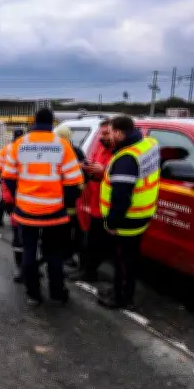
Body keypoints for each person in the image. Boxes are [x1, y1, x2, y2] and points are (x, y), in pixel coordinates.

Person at [4, 108, 84, 305]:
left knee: (29, 252)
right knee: (54, 254)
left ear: (33, 122)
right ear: (52, 123)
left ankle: (33, 294)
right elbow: (74, 181)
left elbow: (8, 177)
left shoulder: (19, 145)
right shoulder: (63, 145)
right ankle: (57, 293)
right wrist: (66, 203)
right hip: (54, 212)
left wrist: (19, 196)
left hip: (26, 211)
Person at [98, 115, 161, 309]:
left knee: (122, 261)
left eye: (111, 133)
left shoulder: (126, 158)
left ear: (119, 133)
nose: (109, 137)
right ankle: (126, 292)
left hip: (127, 219)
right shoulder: (149, 144)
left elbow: (121, 197)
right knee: (131, 258)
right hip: (144, 213)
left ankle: (121, 297)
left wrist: (111, 223)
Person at [77, 118, 114, 282]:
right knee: (90, 240)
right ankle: (87, 271)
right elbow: (93, 160)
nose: (103, 137)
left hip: (108, 204)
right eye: (101, 133)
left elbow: (122, 175)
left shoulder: (120, 150)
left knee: (98, 242)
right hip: (93, 201)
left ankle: (90, 272)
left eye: (106, 133)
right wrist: (87, 165)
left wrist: (103, 170)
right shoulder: (100, 145)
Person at [54, 125, 87, 267]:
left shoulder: (62, 151)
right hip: (69, 196)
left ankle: (67, 254)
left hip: (68, 197)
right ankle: (67, 255)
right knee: (68, 229)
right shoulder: (75, 151)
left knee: (68, 229)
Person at [0, 128, 25, 227]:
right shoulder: (26, 148)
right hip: (21, 179)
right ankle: (17, 220)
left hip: (6, 178)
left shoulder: (7, 148)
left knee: (4, 199)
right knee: (18, 201)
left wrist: (1, 175)